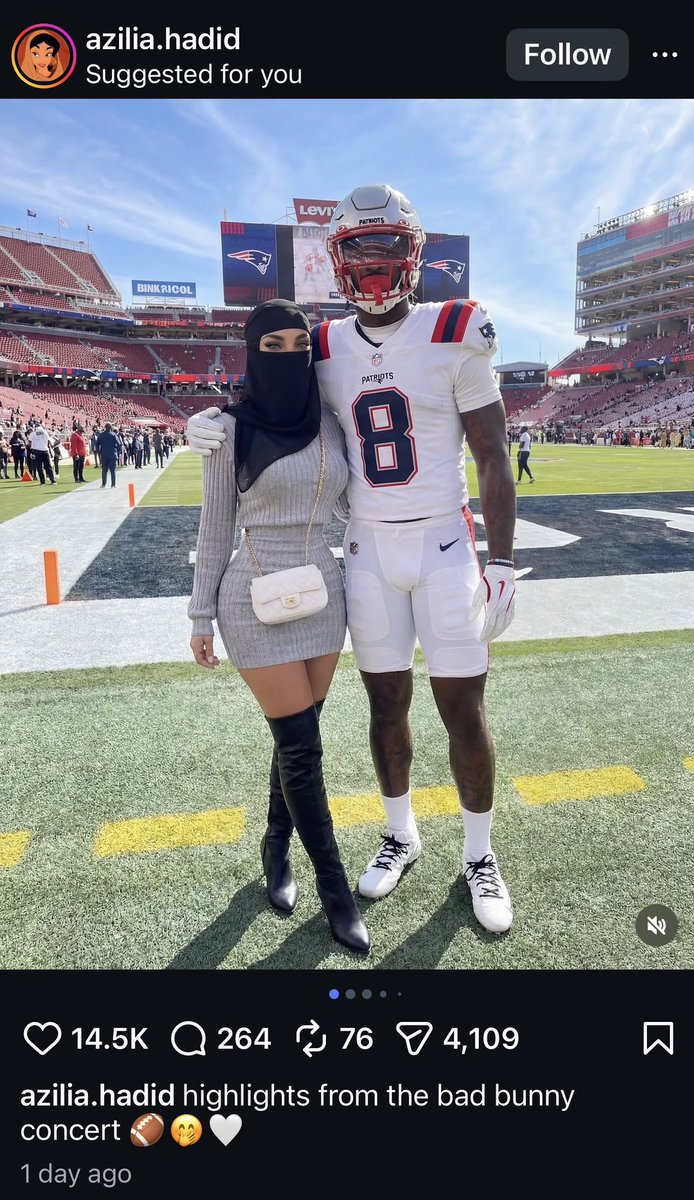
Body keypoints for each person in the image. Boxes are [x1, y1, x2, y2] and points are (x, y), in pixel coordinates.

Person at [187, 185, 517, 935]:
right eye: (358, 249)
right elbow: (267, 401)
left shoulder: (457, 326)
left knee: (462, 707)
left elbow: (493, 454)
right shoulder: (324, 343)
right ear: (336, 261)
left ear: (414, 251)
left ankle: (479, 853)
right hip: (364, 547)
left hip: (443, 543)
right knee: (383, 705)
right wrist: (205, 417)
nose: (373, 265)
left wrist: (501, 558)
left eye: (385, 247)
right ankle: (401, 833)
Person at [188, 299, 370, 955]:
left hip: (325, 594)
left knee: (298, 738)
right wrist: (199, 613)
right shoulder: (224, 431)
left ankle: (274, 845)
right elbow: (213, 532)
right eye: (274, 344)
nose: (290, 353)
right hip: (251, 598)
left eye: (301, 343)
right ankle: (336, 893)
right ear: (251, 351)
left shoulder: (329, 423)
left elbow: (354, 504)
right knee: (301, 749)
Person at [97, 422, 120, 488]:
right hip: (113, 454)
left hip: (104, 454)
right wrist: (117, 452)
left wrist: (99, 452)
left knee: (104, 470)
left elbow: (97, 444)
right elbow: (119, 444)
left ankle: (103, 484)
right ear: (111, 428)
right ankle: (113, 484)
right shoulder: (114, 435)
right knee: (113, 471)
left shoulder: (101, 435)